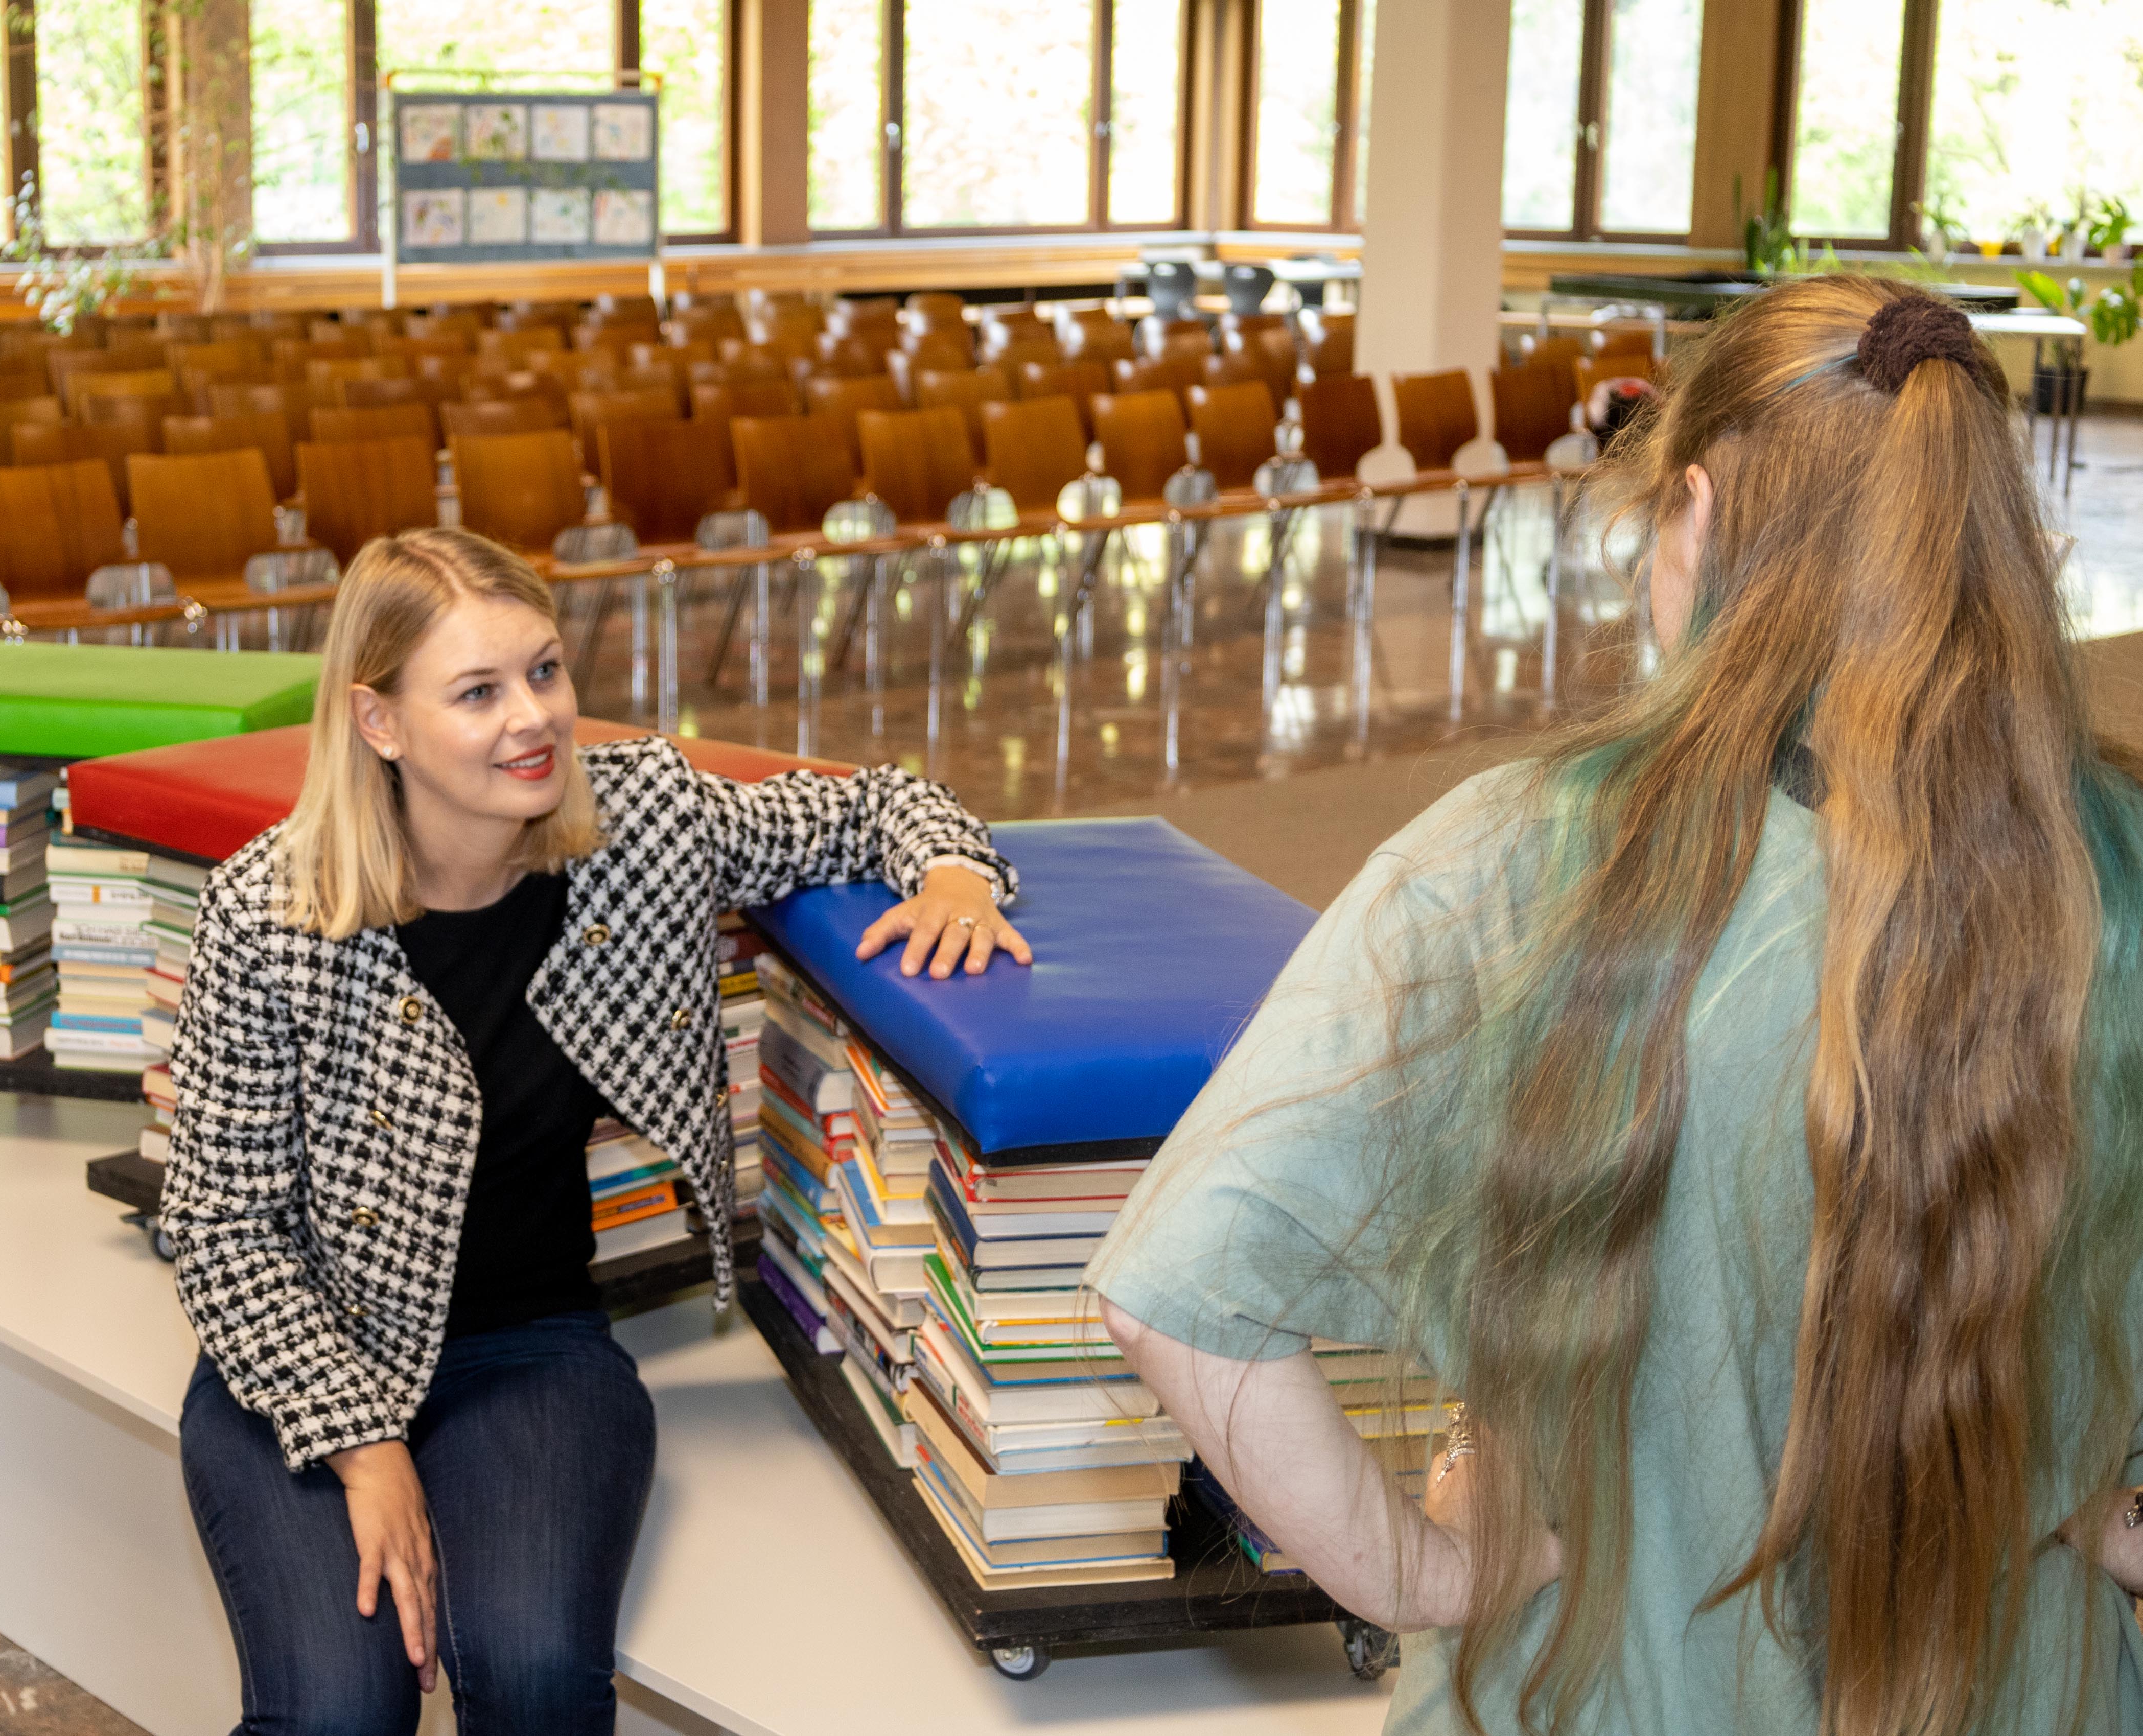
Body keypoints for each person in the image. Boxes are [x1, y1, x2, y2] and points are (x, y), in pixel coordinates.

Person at [1090, 275, 2143, 1736]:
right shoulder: (2121, 876)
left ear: (1696, 514)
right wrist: (2078, 1491)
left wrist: (1424, 1568)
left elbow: (1179, 1295)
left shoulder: (1510, 863)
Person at [158, 527, 1029, 1736]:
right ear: (379, 723)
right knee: (335, 1714)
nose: (534, 719)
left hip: (530, 1345)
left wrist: (954, 878)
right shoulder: (266, 911)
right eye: (477, 691)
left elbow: (878, 802)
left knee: (532, 1684)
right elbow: (220, 1224)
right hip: (309, 1350)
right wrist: (364, 1446)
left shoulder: (644, 824)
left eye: (545, 671)